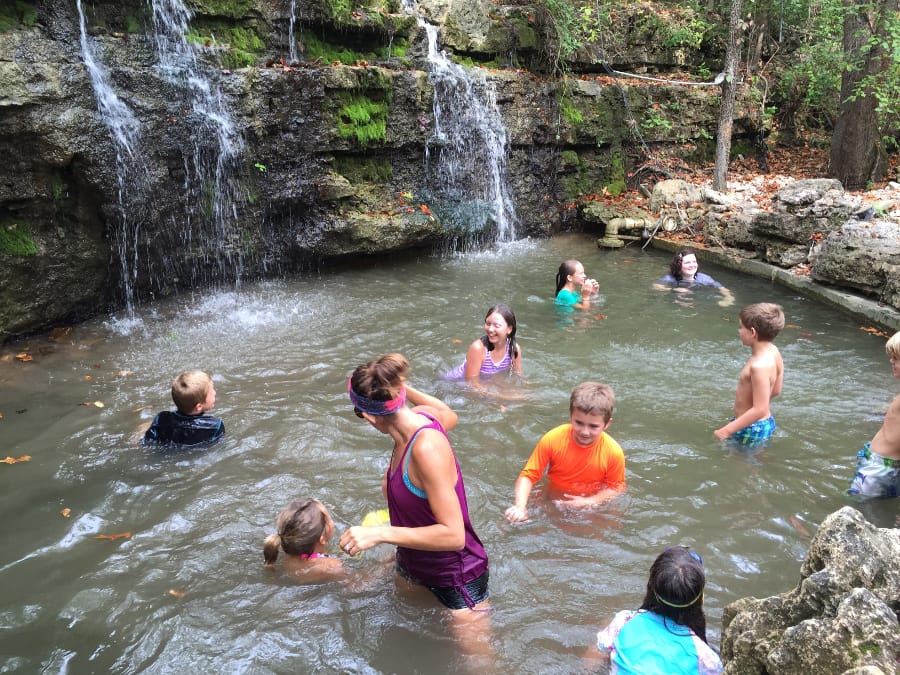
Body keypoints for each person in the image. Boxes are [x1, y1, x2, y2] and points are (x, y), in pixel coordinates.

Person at [339, 353, 490, 614]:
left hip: (456, 579)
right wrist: (397, 387)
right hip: (413, 564)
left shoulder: (426, 449)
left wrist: (379, 534)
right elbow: (450, 415)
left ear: (370, 417)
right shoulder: (423, 416)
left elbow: (454, 536)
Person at [505, 382, 625, 522]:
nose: (585, 432)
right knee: (512, 521)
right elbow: (528, 475)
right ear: (571, 416)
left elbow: (616, 488)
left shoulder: (613, 452)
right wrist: (520, 507)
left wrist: (589, 501)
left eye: (593, 426)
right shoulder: (553, 439)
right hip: (552, 501)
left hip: (589, 507)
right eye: (579, 423)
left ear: (606, 424)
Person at [595, 546, 723, 674]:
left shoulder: (623, 621)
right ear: (700, 599)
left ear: (650, 588)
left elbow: (595, 657)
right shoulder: (707, 659)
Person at [713, 303, 785, 447]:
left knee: (739, 460)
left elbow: (760, 409)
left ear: (752, 332)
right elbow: (776, 390)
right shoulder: (773, 351)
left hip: (750, 429)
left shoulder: (758, 366)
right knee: (755, 457)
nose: (739, 331)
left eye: (741, 327)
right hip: (763, 423)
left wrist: (725, 431)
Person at [847, 331, 900, 498]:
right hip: (888, 466)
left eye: (896, 358)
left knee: (855, 503)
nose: (891, 361)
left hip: (879, 468)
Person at [263, 498, 344, 580]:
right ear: (322, 538)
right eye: (328, 520)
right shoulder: (331, 566)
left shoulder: (287, 558)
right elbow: (351, 584)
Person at [142, 370, 225, 447]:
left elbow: (148, 441)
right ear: (199, 407)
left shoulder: (161, 419)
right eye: (212, 391)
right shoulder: (215, 426)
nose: (215, 393)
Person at [445, 304, 523, 380]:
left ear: (509, 329)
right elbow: (471, 383)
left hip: (483, 383)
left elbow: (518, 375)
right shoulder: (478, 348)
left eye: (497, 325)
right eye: (488, 323)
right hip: (455, 382)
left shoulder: (514, 349)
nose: (490, 329)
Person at [653, 249, 734, 307]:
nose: (692, 265)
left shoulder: (704, 279)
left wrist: (728, 298)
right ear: (678, 265)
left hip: (698, 303)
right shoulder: (671, 278)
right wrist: (674, 289)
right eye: (687, 262)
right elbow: (656, 286)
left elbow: (722, 288)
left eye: (694, 262)